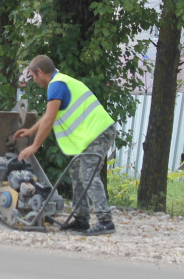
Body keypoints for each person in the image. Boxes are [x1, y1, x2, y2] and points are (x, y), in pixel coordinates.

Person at [13, 55, 117, 235]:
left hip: (99, 132)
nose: (34, 81)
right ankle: (81, 219)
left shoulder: (57, 85)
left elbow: (50, 118)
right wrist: (31, 131)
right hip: (92, 135)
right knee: (76, 172)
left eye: (33, 76)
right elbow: (48, 116)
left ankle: (105, 221)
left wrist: (35, 145)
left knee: (87, 174)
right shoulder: (59, 82)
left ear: (40, 72)